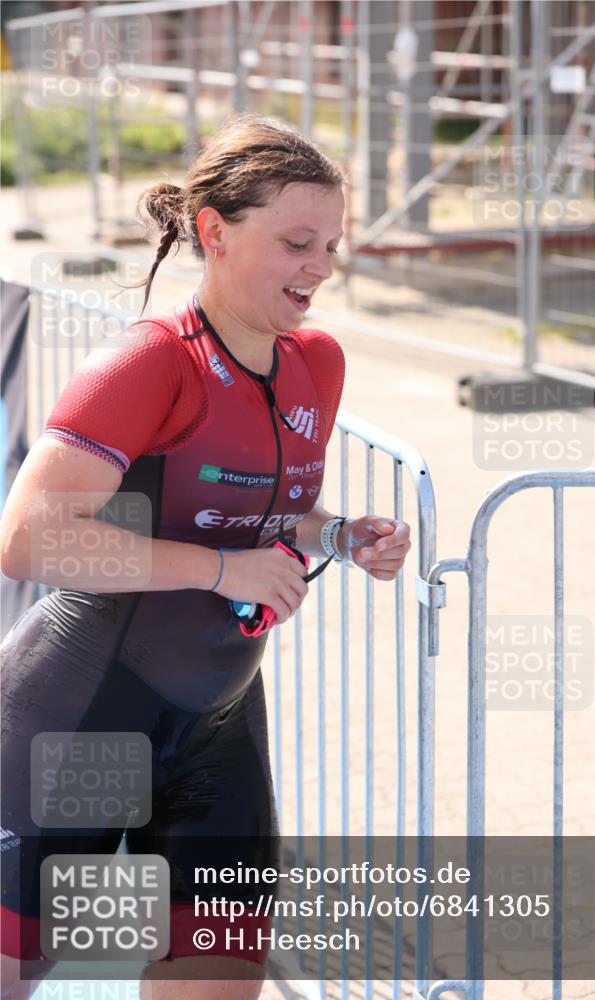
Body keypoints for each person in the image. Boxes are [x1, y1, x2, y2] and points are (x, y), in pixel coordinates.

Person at [0, 113, 411, 1000]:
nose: (323, 269)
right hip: (76, 716)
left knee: (221, 977)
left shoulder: (316, 362)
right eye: (298, 242)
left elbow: (263, 510)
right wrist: (222, 571)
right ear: (215, 233)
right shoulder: (149, 364)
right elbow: (27, 537)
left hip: (216, 725)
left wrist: (341, 536)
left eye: (332, 243)